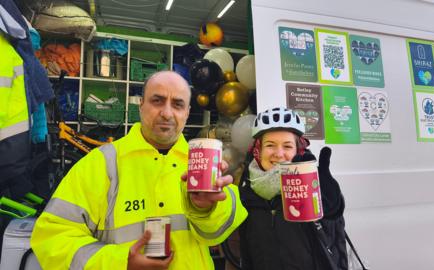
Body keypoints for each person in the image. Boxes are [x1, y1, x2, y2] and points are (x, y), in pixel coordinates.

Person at [31, 71, 248, 270]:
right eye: (157, 101)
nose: (166, 113)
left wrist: (205, 209)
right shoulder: (101, 164)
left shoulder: (200, 164)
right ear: (141, 105)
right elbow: (51, 238)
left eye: (178, 104)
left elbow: (219, 233)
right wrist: (120, 262)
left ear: (188, 112)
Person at [239, 107, 347, 270]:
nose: (279, 153)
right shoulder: (247, 192)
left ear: (298, 150)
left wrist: (330, 202)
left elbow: (331, 226)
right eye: (270, 145)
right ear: (258, 151)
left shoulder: (309, 186)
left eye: (287, 146)